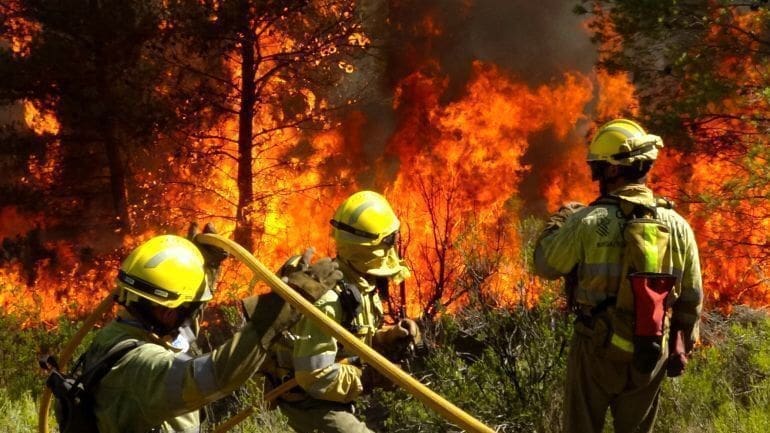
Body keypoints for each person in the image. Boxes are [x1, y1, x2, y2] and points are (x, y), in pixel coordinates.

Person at [533, 119, 703, 433]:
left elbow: (544, 265)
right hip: (649, 349)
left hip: (595, 349)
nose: (594, 172)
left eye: (597, 165)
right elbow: (690, 298)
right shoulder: (678, 226)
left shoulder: (586, 220)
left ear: (612, 170)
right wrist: (682, 344)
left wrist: (560, 221)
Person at [82, 226, 338, 433]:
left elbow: (184, 332)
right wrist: (282, 310)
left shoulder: (130, 331)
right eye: (192, 307)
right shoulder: (141, 366)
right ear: (168, 311)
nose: (195, 313)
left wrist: (206, 268)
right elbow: (216, 375)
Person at [268, 190, 421, 433]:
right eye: (389, 239)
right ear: (373, 246)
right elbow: (314, 377)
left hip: (334, 395)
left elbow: (349, 338)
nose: (394, 243)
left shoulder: (358, 280)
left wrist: (387, 336)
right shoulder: (329, 300)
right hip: (309, 404)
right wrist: (370, 378)